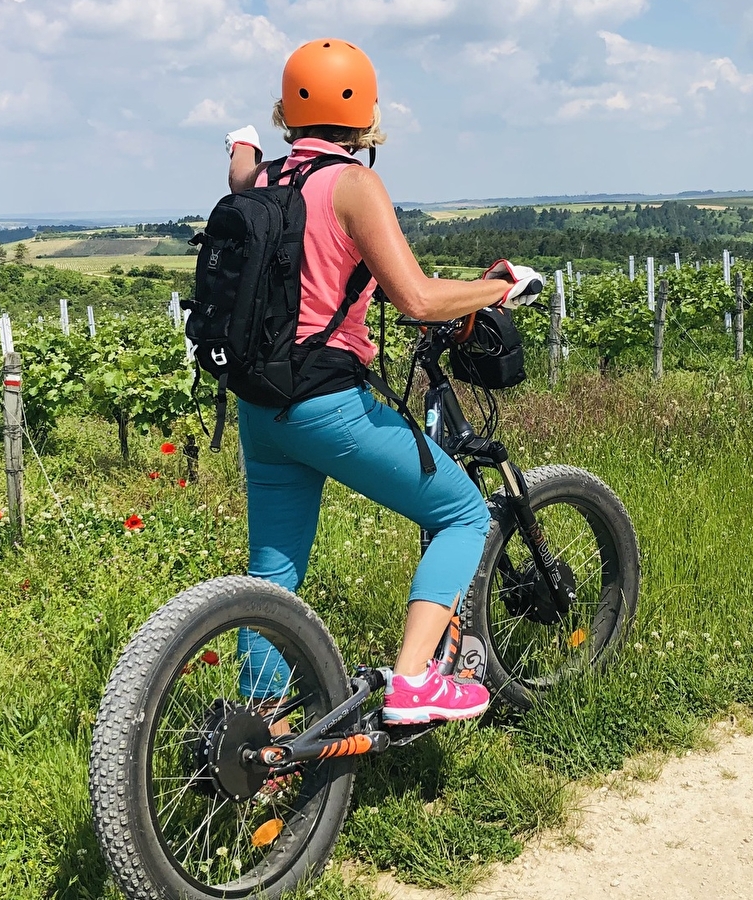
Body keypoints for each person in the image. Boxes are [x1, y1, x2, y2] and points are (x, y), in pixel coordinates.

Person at [222, 38, 544, 725]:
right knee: (460, 512)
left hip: (259, 404)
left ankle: (259, 736)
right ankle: (412, 684)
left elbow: (239, 177)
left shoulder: (268, 181)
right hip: (324, 404)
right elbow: (418, 300)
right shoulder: (354, 185)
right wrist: (493, 292)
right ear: (365, 116)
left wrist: (241, 144)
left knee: (273, 577)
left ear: (288, 111)